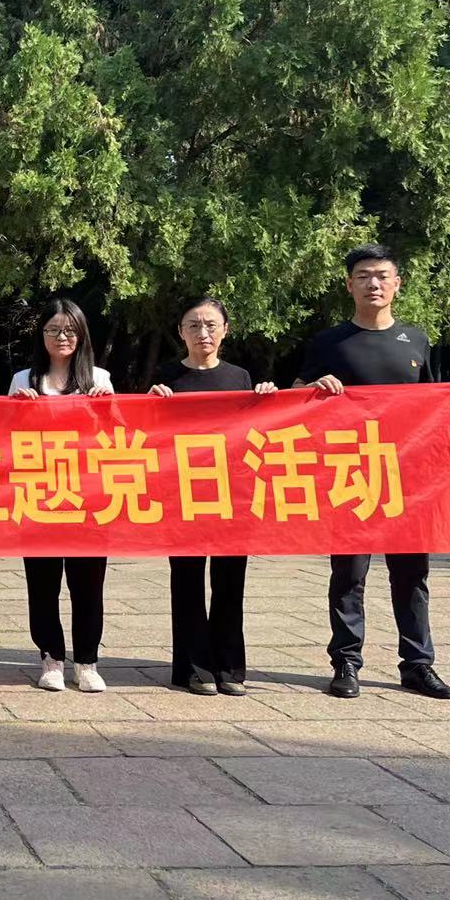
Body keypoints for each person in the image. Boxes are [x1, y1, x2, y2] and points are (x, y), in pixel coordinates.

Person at [296, 243, 450, 701]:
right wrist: (313, 388)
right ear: (349, 285)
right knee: (348, 574)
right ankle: (346, 662)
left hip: (407, 478)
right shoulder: (329, 343)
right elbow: (293, 397)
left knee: (412, 574)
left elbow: (433, 401)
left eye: (382, 275)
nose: (373, 284)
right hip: (351, 474)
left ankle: (418, 665)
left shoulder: (416, 341)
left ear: (397, 284)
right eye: (363, 276)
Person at [147, 296, 277, 696]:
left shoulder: (240, 377)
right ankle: (195, 667)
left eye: (210, 325)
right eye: (193, 325)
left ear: (225, 330)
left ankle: (229, 666)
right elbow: (146, 432)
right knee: (187, 581)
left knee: (229, 581)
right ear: (181, 332)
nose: (202, 333)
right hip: (183, 492)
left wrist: (267, 398)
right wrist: (150, 403)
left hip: (231, 493)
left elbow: (257, 430)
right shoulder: (167, 377)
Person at [10, 297, 114, 694]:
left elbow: (118, 440)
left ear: (82, 334)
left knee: (88, 585)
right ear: (41, 335)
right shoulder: (24, 380)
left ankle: (86, 661)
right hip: (39, 496)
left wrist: (107, 411)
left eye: (69, 330)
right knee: (43, 583)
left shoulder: (99, 379)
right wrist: (16, 411)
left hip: (88, 499)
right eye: (53, 330)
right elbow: (5, 439)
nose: (61, 337)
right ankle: (51, 658)